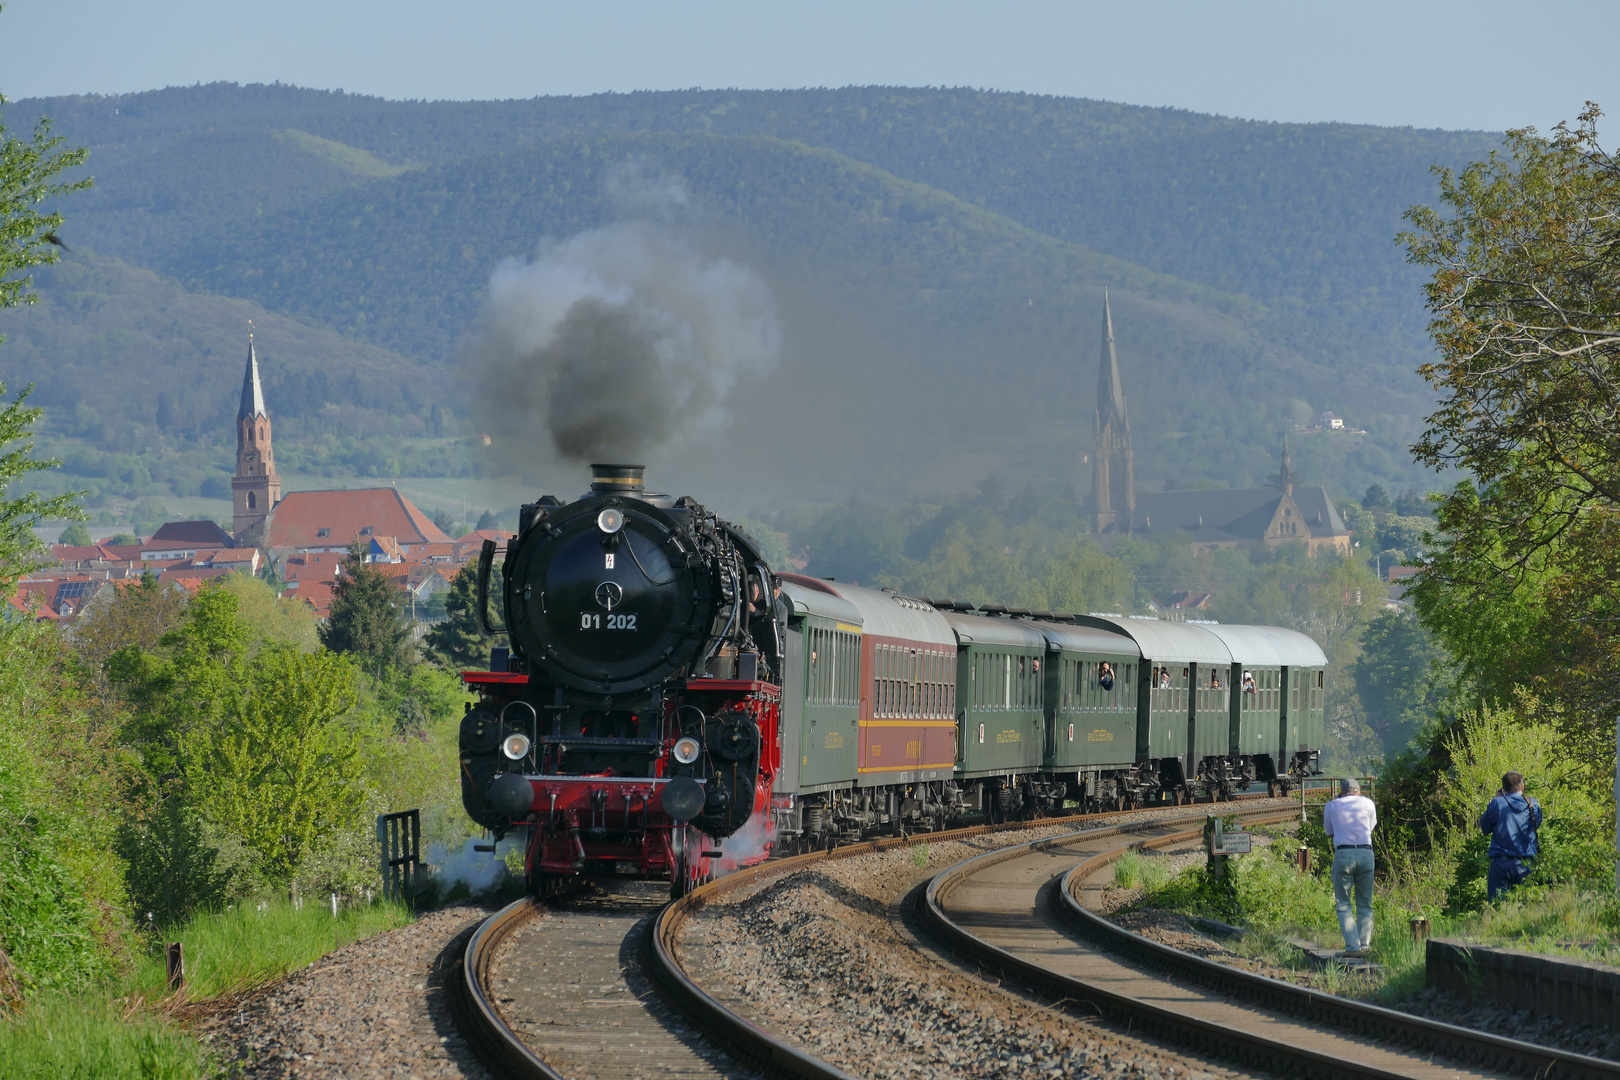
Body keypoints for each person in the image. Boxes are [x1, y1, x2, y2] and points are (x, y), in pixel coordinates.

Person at [1323, 777, 1377, 955]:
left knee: (1344, 904)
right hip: (1366, 853)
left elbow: (1329, 832)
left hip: (1343, 854)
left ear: (1341, 792)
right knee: (1365, 903)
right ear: (1358, 791)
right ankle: (1365, 946)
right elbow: (1370, 828)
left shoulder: (1331, 806)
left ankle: (1353, 948)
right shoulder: (1368, 804)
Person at [1479, 771, 1541, 901]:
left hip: (1502, 862)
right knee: (1526, 907)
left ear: (1503, 787)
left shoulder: (1497, 804)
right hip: (1526, 862)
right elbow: (1537, 825)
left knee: (1498, 907)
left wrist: (1496, 799)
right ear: (1522, 787)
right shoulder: (1533, 804)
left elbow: (1485, 828)